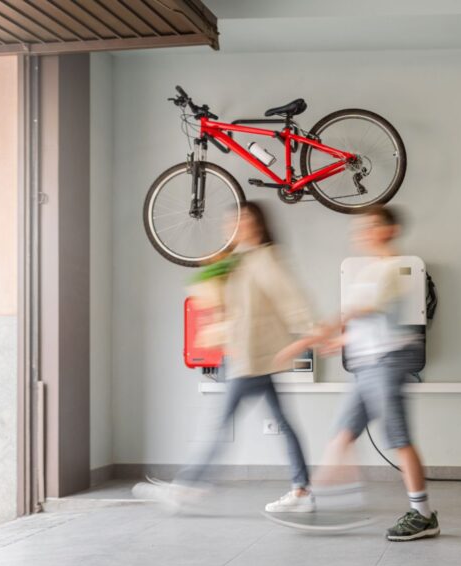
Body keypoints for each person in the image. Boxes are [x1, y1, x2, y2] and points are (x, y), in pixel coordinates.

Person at [141, 201, 319, 512]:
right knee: (280, 422)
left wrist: (311, 332)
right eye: (231, 221)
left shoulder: (265, 258)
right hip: (243, 355)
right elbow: (227, 306)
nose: (235, 225)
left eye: (243, 219)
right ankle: (301, 490)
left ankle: (187, 485)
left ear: (258, 224)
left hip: (251, 358)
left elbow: (291, 299)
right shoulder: (238, 261)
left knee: (219, 425)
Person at [302, 204, 440, 541]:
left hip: (387, 362)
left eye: (371, 226)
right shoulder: (369, 271)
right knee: (342, 434)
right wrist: (340, 340)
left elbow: (362, 310)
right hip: (366, 366)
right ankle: (316, 502)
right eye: (361, 228)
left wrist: (329, 328)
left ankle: (423, 514)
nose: (363, 233)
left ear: (389, 230)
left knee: (398, 438)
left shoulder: (391, 269)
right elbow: (368, 323)